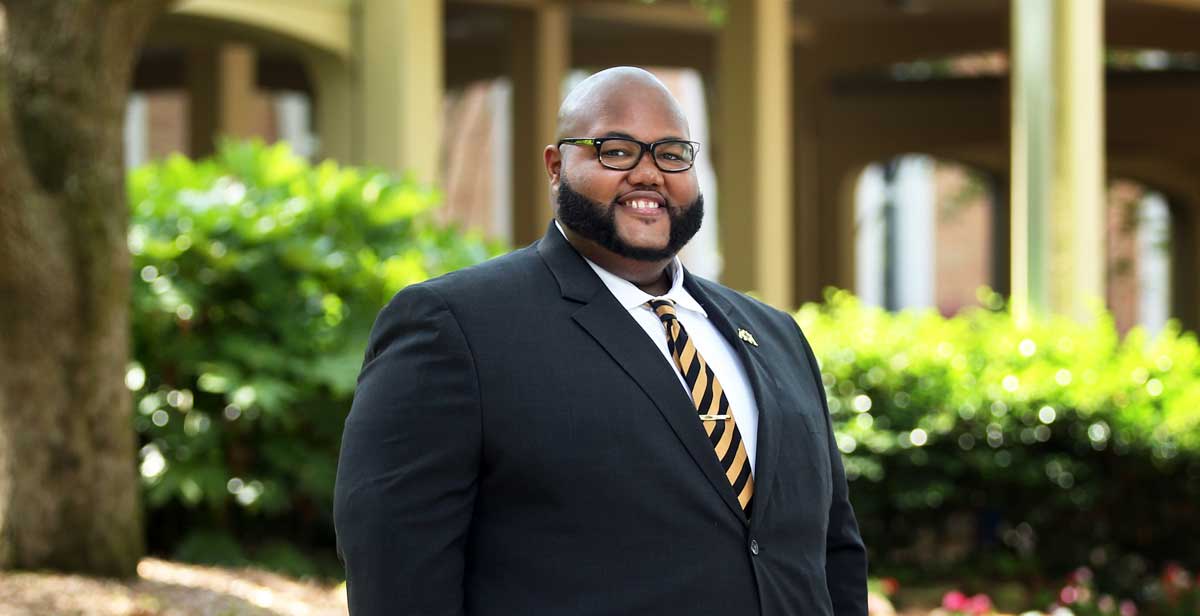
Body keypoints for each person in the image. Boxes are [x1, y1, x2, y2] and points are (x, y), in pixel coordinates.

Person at [334, 66, 867, 615]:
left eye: (671, 153)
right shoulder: (456, 326)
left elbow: (833, 549)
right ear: (556, 165)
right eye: (615, 151)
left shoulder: (777, 336)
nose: (649, 174)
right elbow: (394, 563)